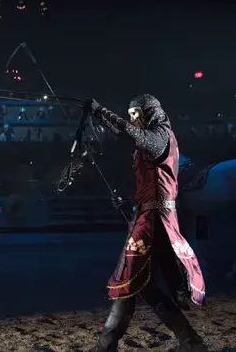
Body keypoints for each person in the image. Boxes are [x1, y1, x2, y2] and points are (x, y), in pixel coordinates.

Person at [87, 94, 207, 352]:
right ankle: (190, 341)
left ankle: (106, 344)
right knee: (139, 283)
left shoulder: (160, 135)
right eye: (129, 114)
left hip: (155, 221)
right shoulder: (154, 139)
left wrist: (101, 112)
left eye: (136, 114)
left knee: (131, 278)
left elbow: (132, 135)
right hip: (150, 217)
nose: (133, 119)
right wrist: (132, 202)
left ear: (149, 112)